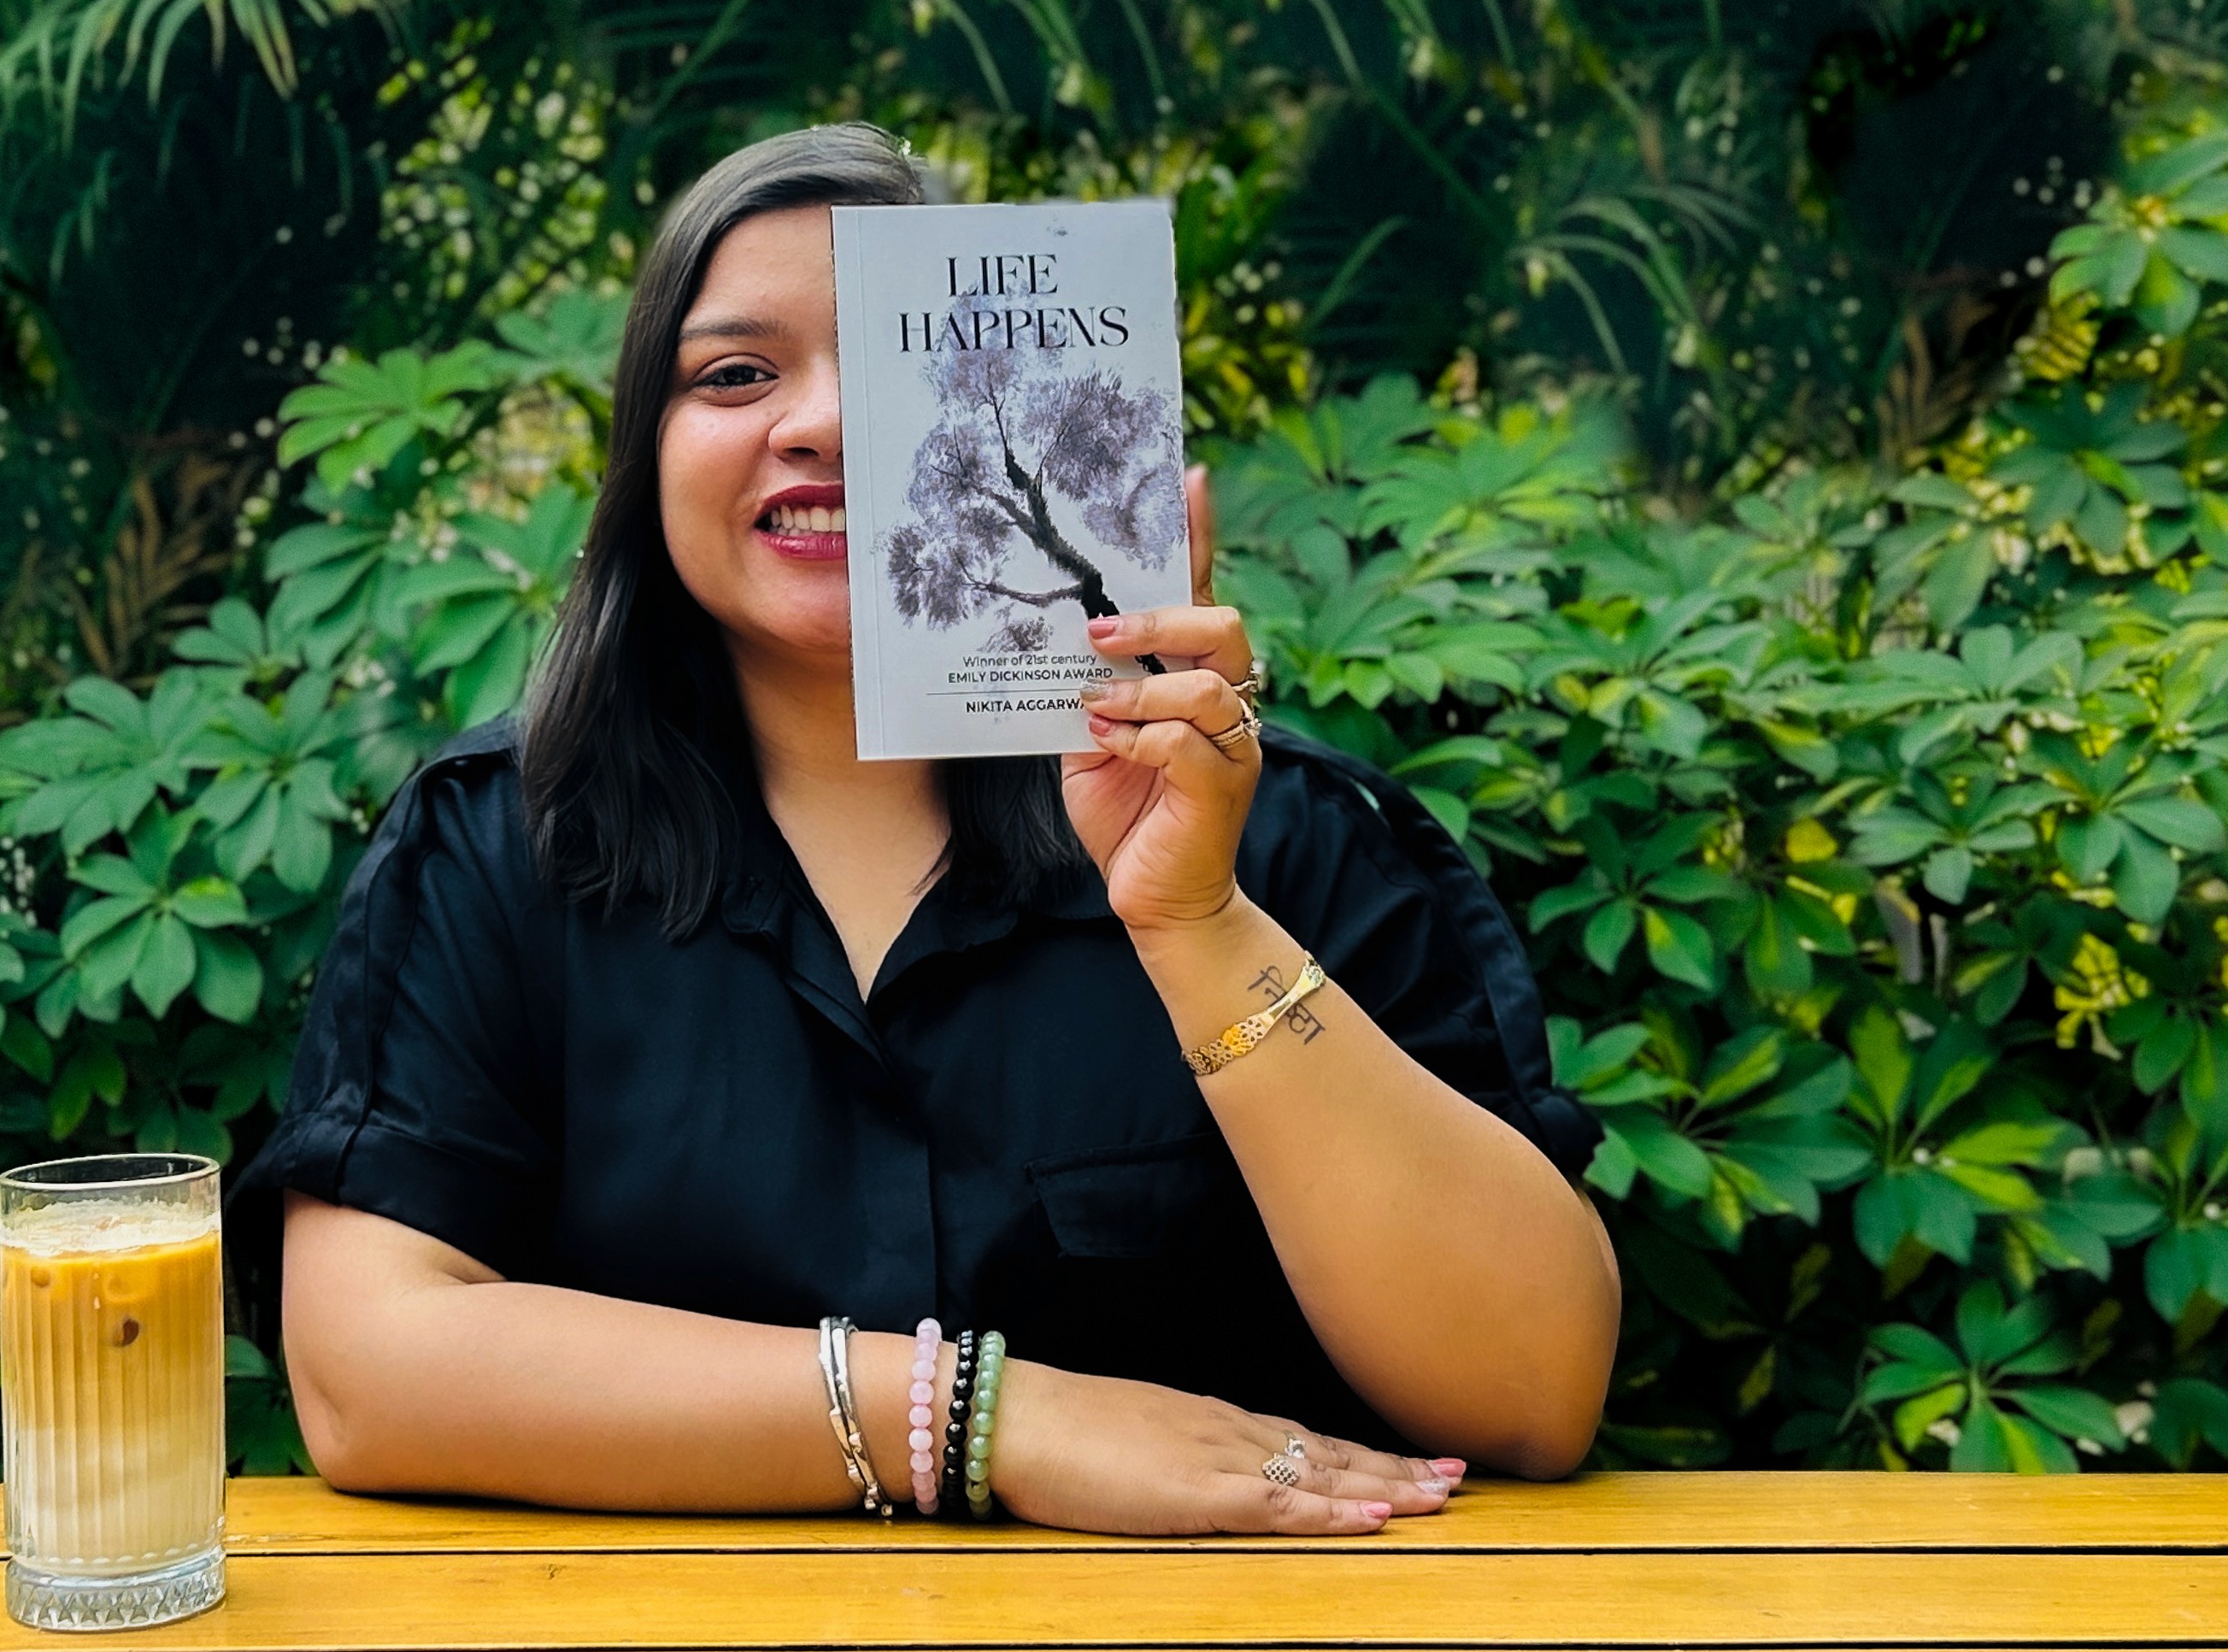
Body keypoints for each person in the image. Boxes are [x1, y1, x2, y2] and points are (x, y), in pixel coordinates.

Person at [234, 124, 1620, 1537]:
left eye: (906, 366)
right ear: (643, 458)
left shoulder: (1288, 835)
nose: (826, 424)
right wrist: (979, 1418)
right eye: (735, 374)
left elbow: (1530, 1387)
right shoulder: (496, 847)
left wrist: (1197, 927)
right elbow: (365, 1370)